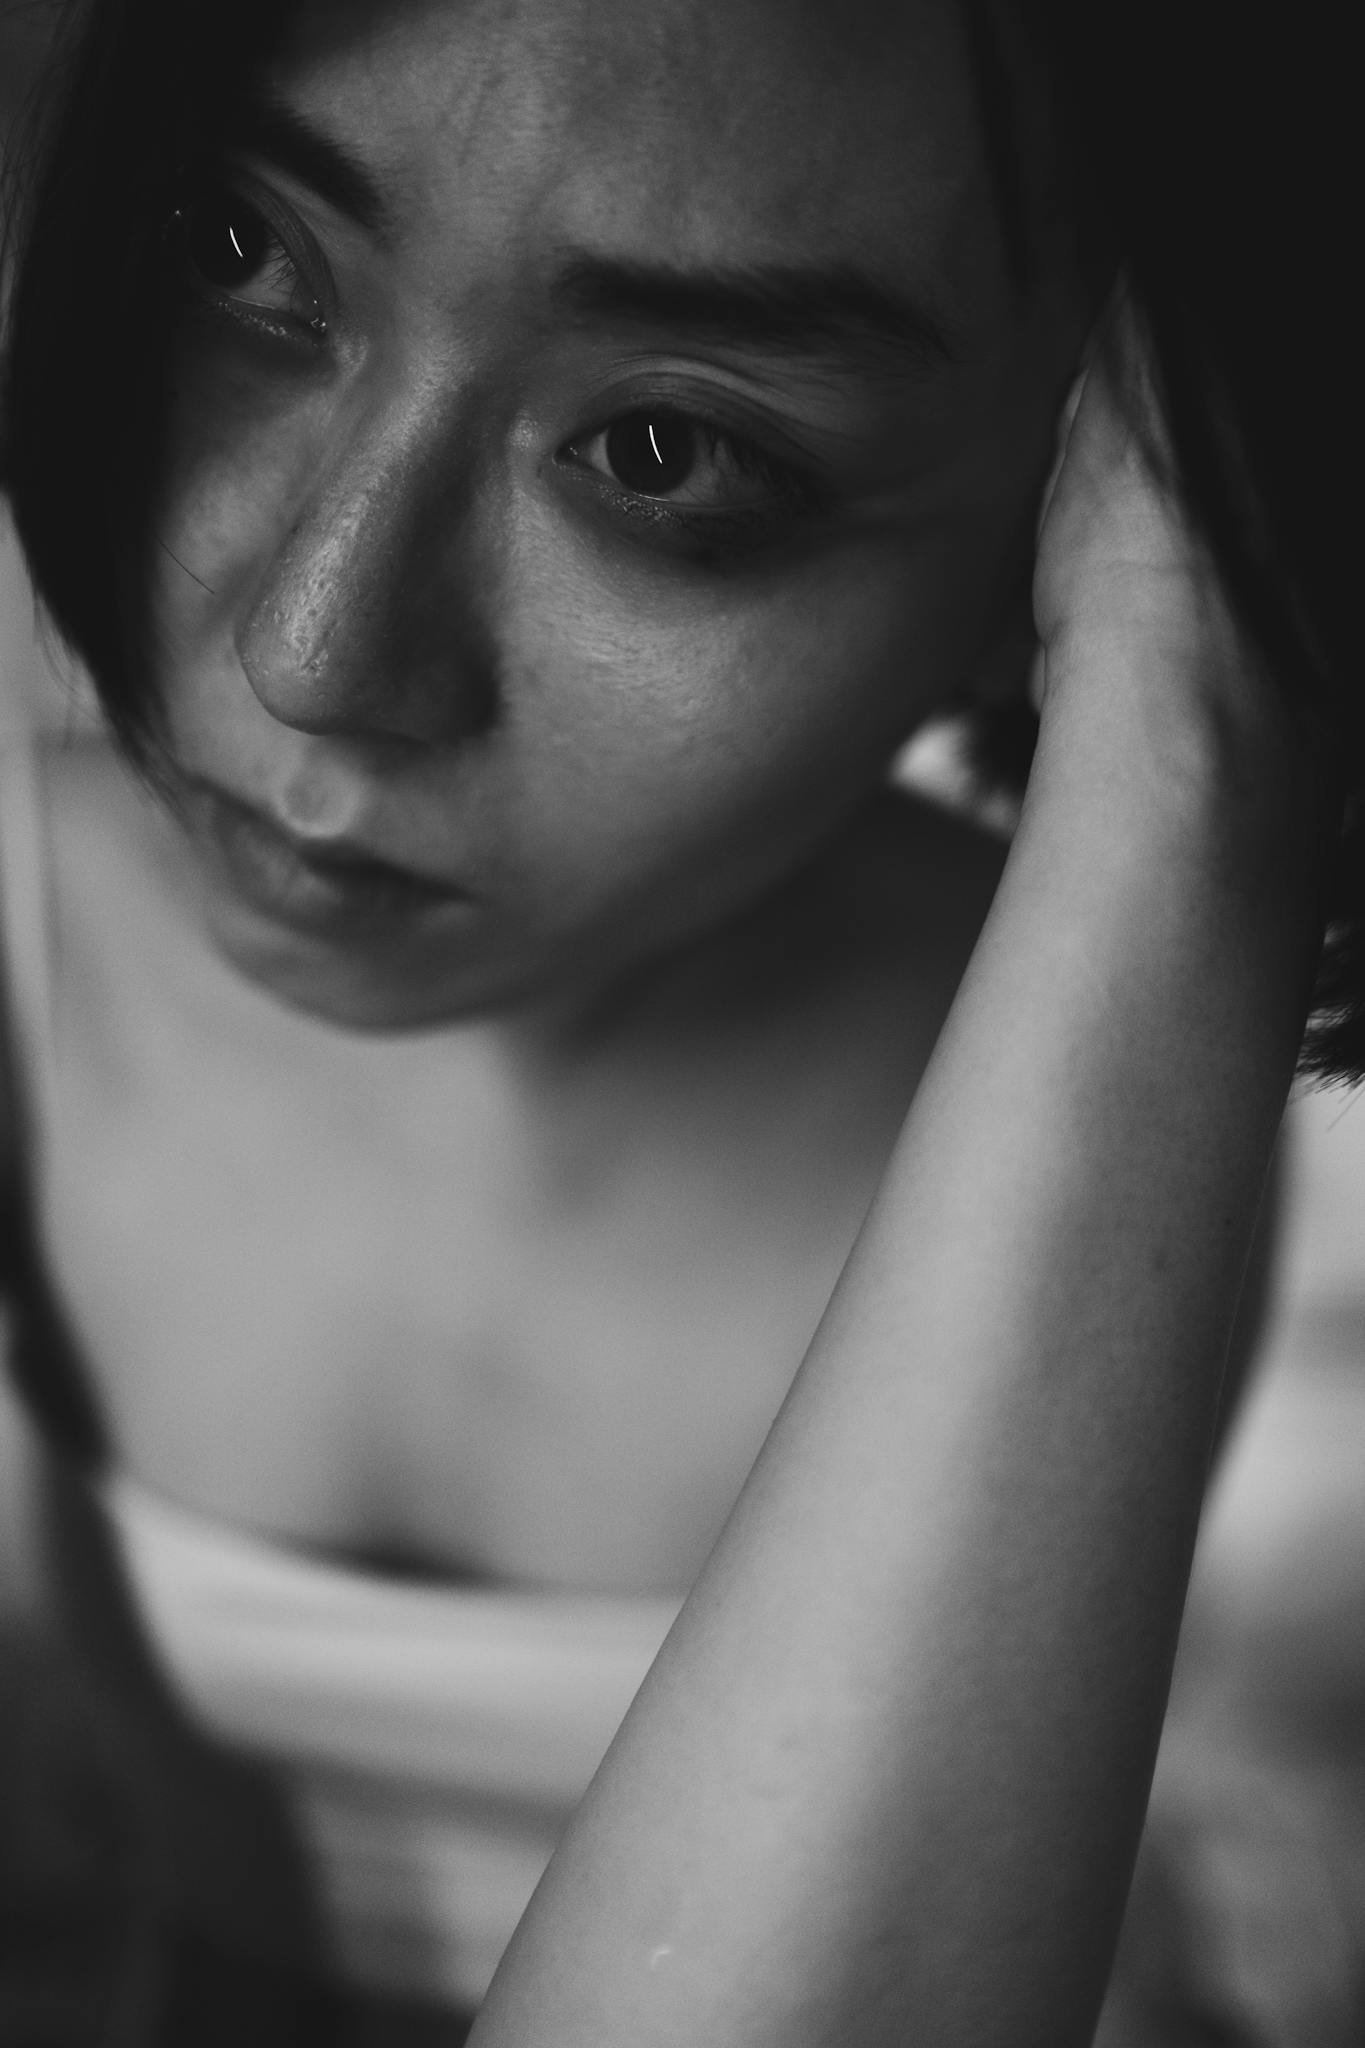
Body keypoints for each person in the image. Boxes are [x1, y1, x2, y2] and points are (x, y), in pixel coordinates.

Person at [0, 1, 1355, 2042]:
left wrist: (1198, 717)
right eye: (233, 252)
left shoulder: (1321, 1310)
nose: (316, 649)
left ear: (1067, 510)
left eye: (665, 450)